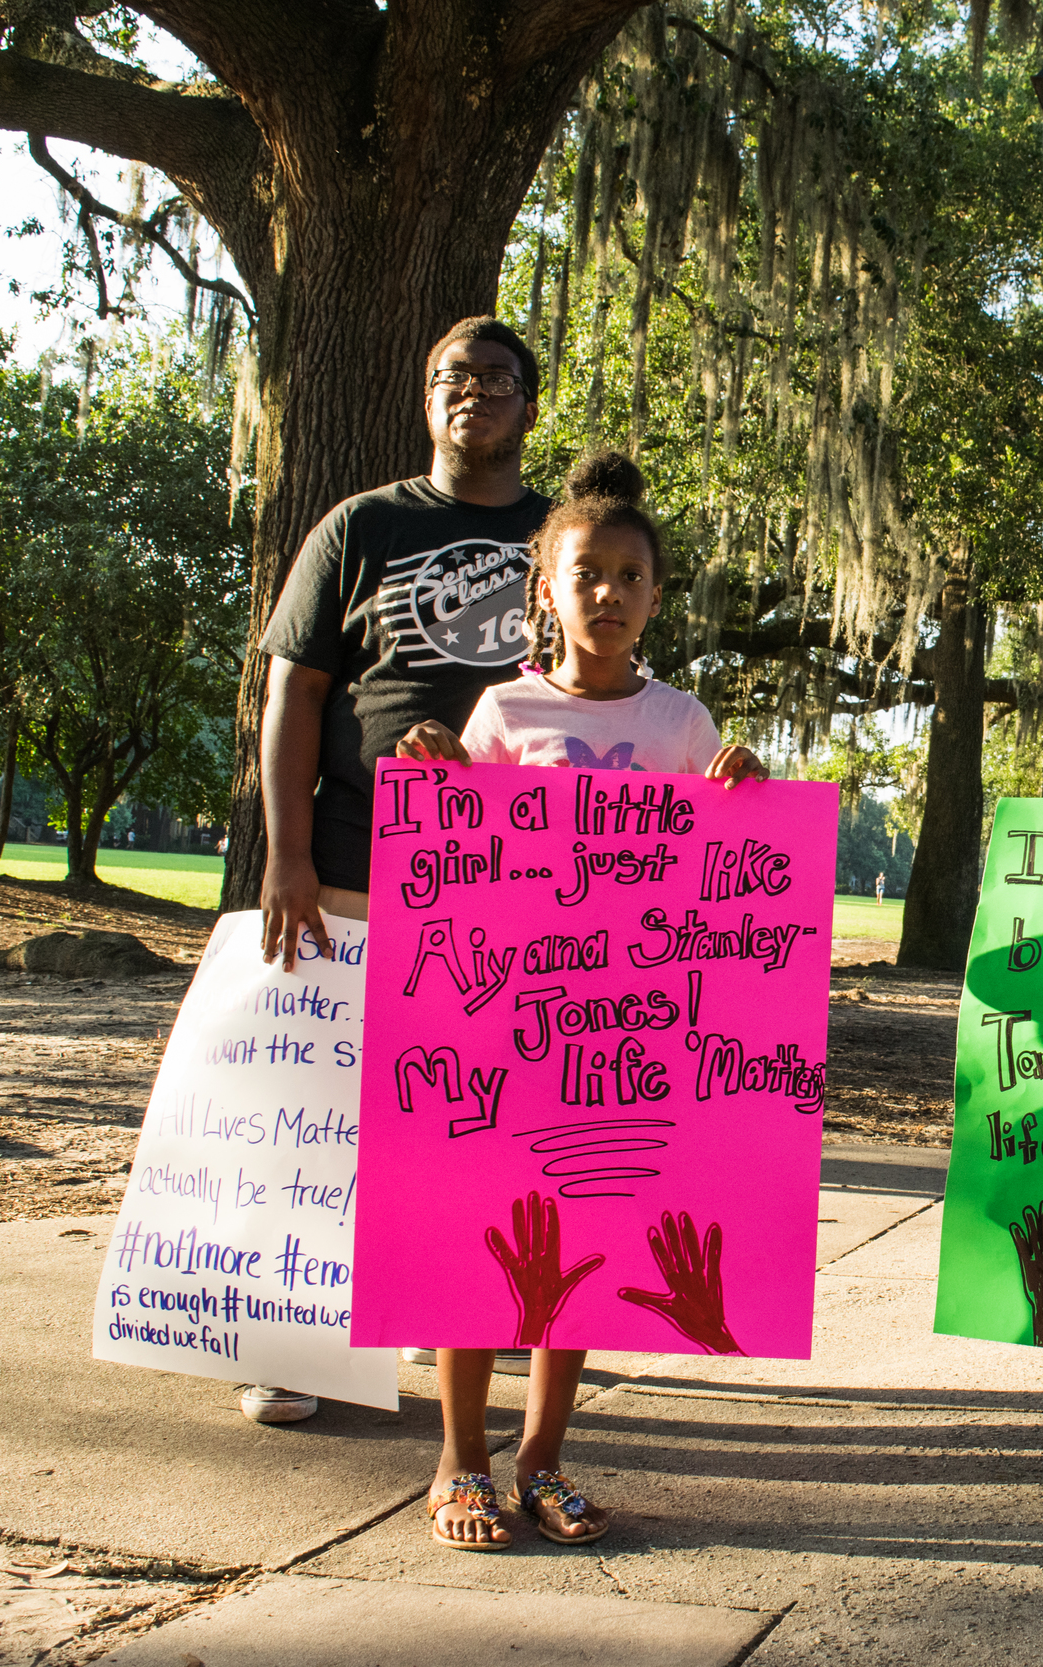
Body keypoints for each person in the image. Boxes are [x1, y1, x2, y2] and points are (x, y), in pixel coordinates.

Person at [394, 449, 766, 1548]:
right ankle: (461, 1455)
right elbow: (455, 869)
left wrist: (744, 794)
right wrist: (439, 773)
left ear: (656, 595)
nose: (606, 592)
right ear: (543, 590)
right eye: (584, 572)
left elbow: (722, 880)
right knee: (481, 1234)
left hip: (624, 1033)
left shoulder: (682, 722)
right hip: (505, 1028)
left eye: (628, 576)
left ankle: (544, 1453)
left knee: (581, 1246)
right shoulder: (500, 711)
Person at [244, 317, 551, 1425]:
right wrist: (283, 857)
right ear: (428, 401)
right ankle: (284, 1340)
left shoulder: (557, 539)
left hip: (505, 889)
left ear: (528, 404)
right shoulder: (359, 526)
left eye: (497, 378)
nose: (474, 392)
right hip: (350, 865)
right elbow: (295, 696)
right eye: (451, 377)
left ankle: (439, 1305)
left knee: (465, 1115)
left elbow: (603, 686)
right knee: (327, 1114)